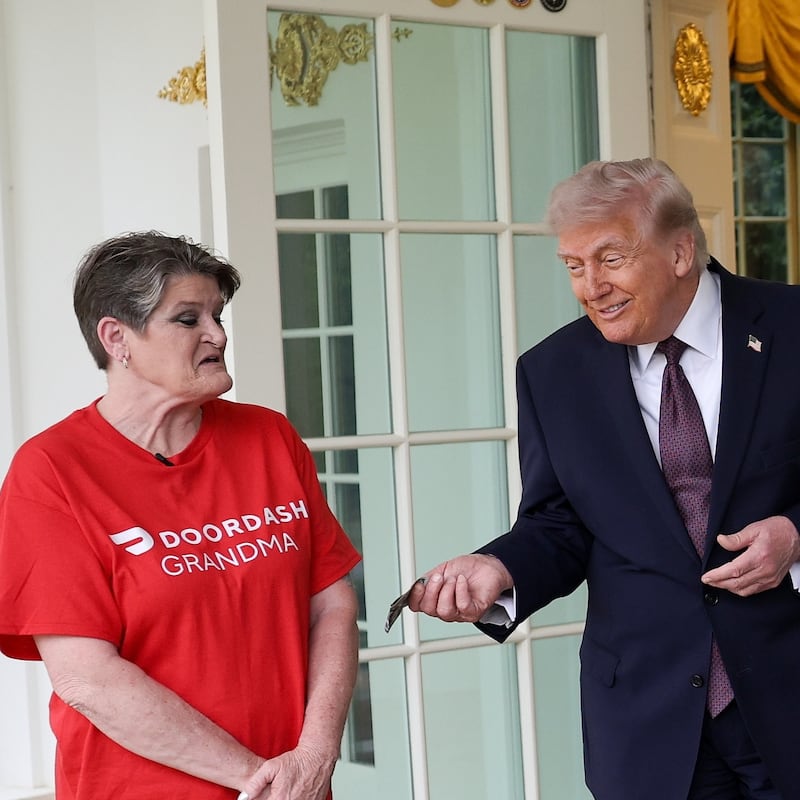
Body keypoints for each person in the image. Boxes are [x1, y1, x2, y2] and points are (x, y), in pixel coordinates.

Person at [408, 158, 800, 799]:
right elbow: (559, 522)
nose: (590, 287)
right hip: (649, 724)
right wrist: (500, 569)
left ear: (680, 252)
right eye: (573, 265)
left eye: (611, 259)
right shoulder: (552, 371)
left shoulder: (791, 327)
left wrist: (796, 536)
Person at [0, 231, 362, 800]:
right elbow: (86, 676)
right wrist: (257, 779)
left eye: (217, 314)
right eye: (187, 318)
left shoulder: (269, 437)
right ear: (117, 337)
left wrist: (314, 758)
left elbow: (331, 604)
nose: (217, 334)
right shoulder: (52, 471)